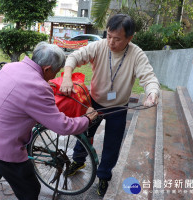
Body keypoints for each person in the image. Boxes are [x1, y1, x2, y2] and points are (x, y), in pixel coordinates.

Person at [0, 42, 98, 200]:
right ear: (47, 69)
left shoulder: (11, 67)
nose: (55, 77)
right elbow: (62, 126)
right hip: (3, 147)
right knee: (30, 190)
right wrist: (87, 119)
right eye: (56, 72)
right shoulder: (38, 87)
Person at [60, 14, 160, 197]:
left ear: (130, 38)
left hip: (119, 107)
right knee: (83, 133)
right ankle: (78, 160)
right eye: (109, 36)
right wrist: (67, 77)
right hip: (95, 102)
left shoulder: (136, 54)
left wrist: (152, 94)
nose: (111, 42)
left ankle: (104, 176)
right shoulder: (99, 46)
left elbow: (149, 77)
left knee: (112, 144)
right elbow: (74, 57)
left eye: (117, 39)